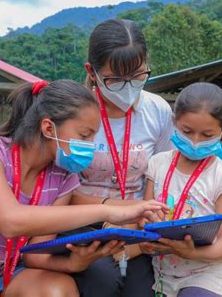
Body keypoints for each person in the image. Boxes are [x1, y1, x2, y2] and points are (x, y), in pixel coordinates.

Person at [0, 79, 167, 297]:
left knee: (58, 289)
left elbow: (34, 256)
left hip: (5, 274)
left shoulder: (63, 176)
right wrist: (107, 212)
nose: (89, 145)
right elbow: (10, 221)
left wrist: (75, 262)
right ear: (48, 127)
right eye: (84, 135)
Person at [70, 19, 174, 297]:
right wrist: (109, 215)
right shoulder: (74, 114)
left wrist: (139, 223)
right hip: (81, 223)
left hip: (135, 227)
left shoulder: (158, 112)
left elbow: (162, 177)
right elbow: (59, 190)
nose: (128, 87)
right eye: (115, 79)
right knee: (101, 281)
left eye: (138, 76)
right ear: (91, 72)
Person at [140, 82, 222, 297]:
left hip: (206, 276)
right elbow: (144, 215)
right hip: (162, 274)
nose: (195, 142)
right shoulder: (157, 164)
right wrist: (147, 237)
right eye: (187, 131)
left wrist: (192, 252)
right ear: (174, 122)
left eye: (207, 135)